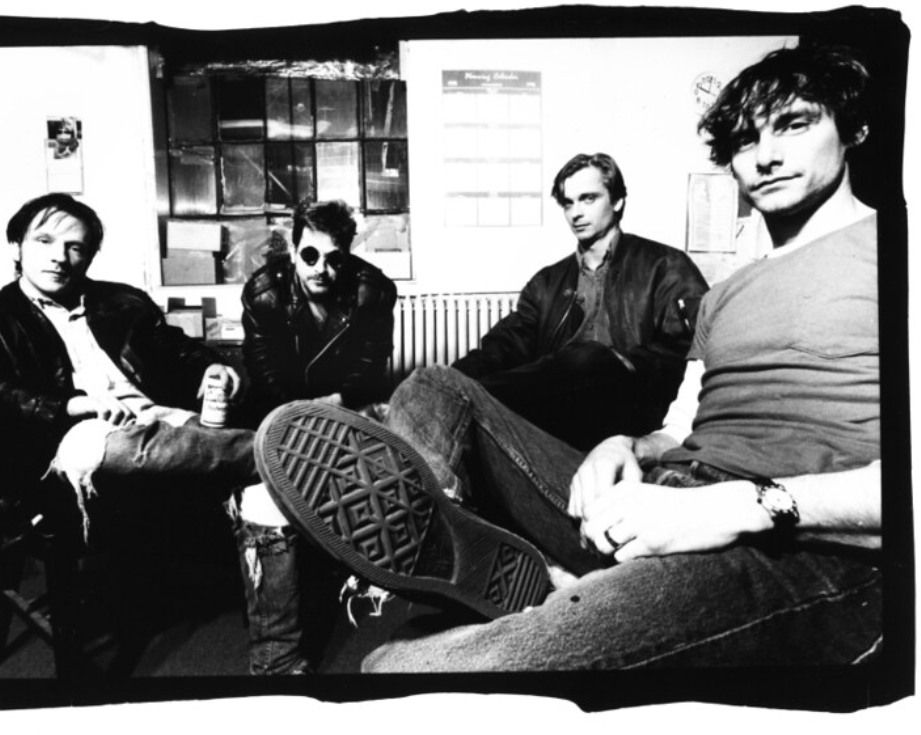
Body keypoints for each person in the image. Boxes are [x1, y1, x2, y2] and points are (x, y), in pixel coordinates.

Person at [252, 42, 882, 671]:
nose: (766, 155)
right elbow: (682, 425)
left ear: (852, 128)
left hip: (784, 539)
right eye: (746, 139)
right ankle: (430, 521)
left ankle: (555, 586)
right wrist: (628, 447)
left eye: (794, 124)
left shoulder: (892, 253)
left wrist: (736, 506)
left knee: (389, 666)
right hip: (657, 491)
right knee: (434, 383)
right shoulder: (724, 293)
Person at [0, 194, 299, 675]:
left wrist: (210, 367)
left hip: (161, 430)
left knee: (265, 491)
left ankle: (278, 660)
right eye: (44, 241)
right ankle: (285, 450)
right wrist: (67, 404)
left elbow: (177, 349)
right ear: (17, 246)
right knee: (107, 443)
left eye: (76, 247)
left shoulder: (121, 303)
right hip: (60, 448)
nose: (60, 257)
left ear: (89, 256)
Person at [450, 152, 709, 448]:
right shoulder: (546, 283)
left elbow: (692, 350)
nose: (575, 213)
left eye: (588, 199)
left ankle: (461, 400)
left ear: (617, 201)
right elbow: (505, 345)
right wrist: (451, 376)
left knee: (589, 358)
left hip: (631, 410)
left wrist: (624, 363)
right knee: (456, 380)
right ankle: (448, 394)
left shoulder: (665, 265)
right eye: (568, 203)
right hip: (558, 412)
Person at [239, 198, 397, 427]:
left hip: (346, 404)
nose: (321, 269)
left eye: (334, 259)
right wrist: (301, 414)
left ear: (347, 256)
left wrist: (337, 401)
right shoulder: (263, 294)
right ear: (293, 252)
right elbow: (263, 371)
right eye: (310, 255)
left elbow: (370, 367)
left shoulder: (373, 293)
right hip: (279, 407)